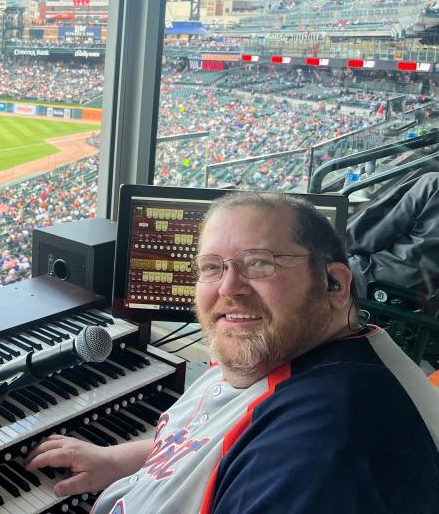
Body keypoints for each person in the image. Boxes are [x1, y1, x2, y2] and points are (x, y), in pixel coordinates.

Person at [25, 192, 439, 513]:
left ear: (335, 284)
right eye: (211, 267)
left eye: (259, 263)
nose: (228, 287)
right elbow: (213, 441)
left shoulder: (322, 454)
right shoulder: (288, 350)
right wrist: (116, 457)